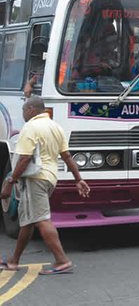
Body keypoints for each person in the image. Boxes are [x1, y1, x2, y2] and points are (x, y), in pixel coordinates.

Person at [0, 96, 90, 275]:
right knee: (28, 221)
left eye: (24, 110)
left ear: (32, 110)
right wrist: (78, 179)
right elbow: (67, 156)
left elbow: (24, 158)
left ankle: (62, 261)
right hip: (49, 178)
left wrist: (10, 181)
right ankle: (13, 261)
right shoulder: (55, 127)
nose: (23, 114)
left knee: (41, 219)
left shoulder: (31, 127)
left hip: (36, 179)